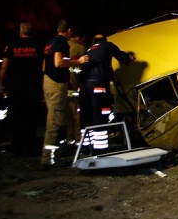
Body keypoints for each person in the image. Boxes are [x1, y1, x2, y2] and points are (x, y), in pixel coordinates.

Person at [41, 20, 89, 168]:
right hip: (56, 85)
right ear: (69, 30)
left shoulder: (50, 42)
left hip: (48, 82)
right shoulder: (62, 42)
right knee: (55, 121)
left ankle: (50, 156)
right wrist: (78, 62)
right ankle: (48, 159)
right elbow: (58, 62)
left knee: (56, 119)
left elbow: (44, 66)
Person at [0, 22, 44, 157]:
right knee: (31, 119)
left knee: (17, 119)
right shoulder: (39, 46)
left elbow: (4, 67)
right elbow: (43, 67)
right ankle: (30, 148)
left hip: (16, 88)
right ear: (33, 32)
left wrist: (1, 84)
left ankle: (17, 149)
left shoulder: (11, 46)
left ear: (20, 32)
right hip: (33, 88)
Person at [78, 34, 134, 131]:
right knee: (100, 113)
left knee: (87, 114)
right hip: (98, 84)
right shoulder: (107, 45)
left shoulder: (88, 50)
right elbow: (123, 58)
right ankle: (100, 145)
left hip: (83, 85)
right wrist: (130, 58)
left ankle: (86, 143)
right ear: (105, 40)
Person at [66, 29, 87, 145]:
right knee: (77, 115)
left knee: (68, 116)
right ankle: (79, 142)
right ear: (79, 38)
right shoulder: (80, 48)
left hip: (64, 87)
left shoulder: (63, 45)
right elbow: (86, 67)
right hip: (76, 86)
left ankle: (70, 141)